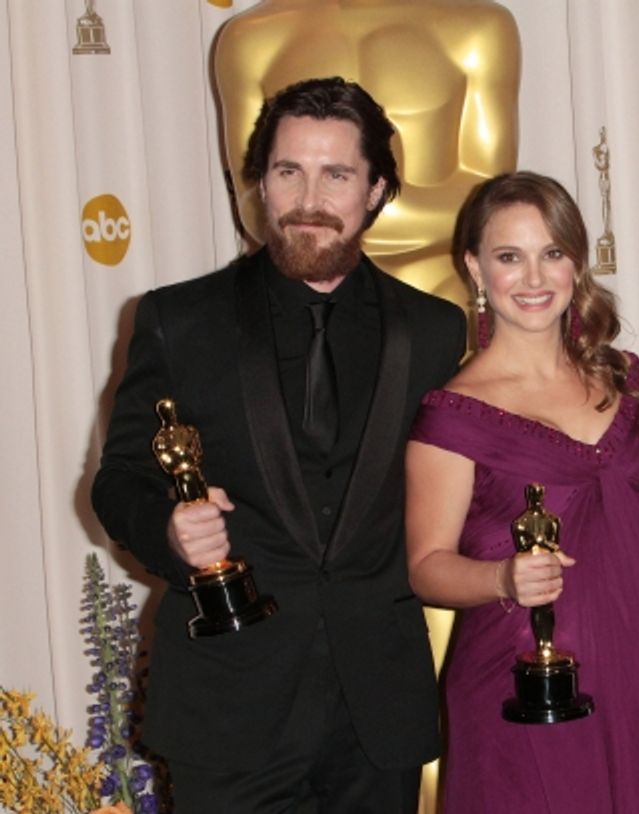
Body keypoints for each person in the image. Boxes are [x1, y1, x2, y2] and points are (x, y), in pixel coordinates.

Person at [91, 77, 465, 813]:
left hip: (377, 711)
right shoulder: (179, 320)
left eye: (337, 175)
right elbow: (119, 478)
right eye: (288, 171)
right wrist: (169, 530)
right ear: (260, 182)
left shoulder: (433, 331)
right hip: (229, 706)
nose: (308, 199)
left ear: (376, 190)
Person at [404, 171, 639, 813]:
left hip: (634, 670)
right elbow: (426, 567)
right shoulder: (452, 412)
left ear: (577, 263)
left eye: (552, 253)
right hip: (522, 688)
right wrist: (502, 578)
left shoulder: (626, 380)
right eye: (510, 257)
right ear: (475, 269)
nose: (534, 279)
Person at [213, 0, 520, 306]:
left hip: (439, 297)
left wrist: (337, 211)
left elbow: (492, 204)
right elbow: (252, 201)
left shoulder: (480, 29)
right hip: (294, 303)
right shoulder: (251, 37)